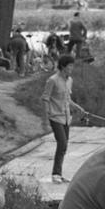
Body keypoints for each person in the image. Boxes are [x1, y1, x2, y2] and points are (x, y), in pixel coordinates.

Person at [41, 55, 88, 184]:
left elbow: (67, 99)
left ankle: (58, 174)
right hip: (55, 117)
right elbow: (45, 98)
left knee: (64, 146)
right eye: (70, 66)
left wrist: (78, 107)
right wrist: (46, 118)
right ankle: (56, 174)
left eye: (72, 66)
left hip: (66, 118)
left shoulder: (69, 80)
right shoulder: (52, 80)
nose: (71, 68)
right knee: (62, 143)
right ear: (62, 66)